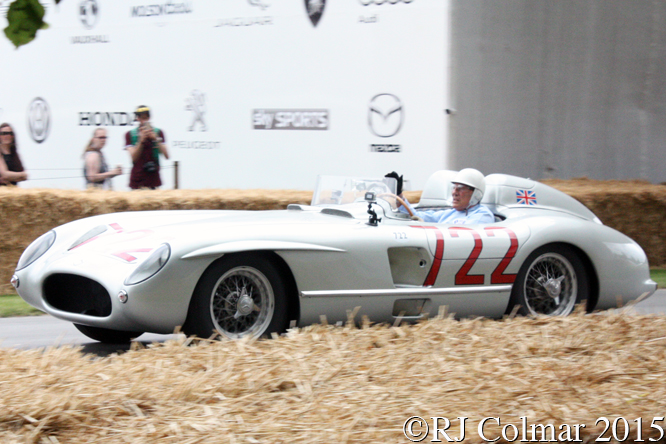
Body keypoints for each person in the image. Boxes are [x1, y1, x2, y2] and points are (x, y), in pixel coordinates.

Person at [388, 168, 495, 225]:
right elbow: (414, 216)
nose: (454, 192)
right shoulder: (448, 213)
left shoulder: (483, 216)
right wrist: (398, 194)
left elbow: (465, 239)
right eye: (454, 187)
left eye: (461, 188)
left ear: (476, 194)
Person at [125, 105, 169, 189]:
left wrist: (155, 139)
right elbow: (133, 158)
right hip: (137, 179)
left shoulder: (158, 132)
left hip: (153, 178)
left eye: (146, 117)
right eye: (141, 118)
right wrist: (141, 141)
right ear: (137, 118)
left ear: (149, 117)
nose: (144, 120)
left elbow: (167, 155)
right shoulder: (130, 134)